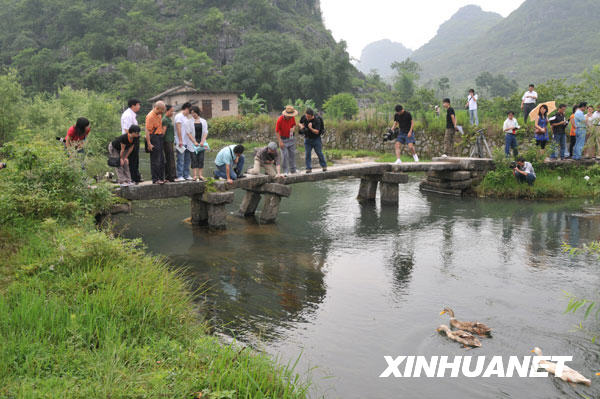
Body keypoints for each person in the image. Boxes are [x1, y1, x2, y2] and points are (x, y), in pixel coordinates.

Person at [299, 108, 327, 173]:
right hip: (307, 138)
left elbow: (317, 131)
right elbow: (300, 123)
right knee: (307, 154)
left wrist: (311, 128)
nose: (307, 118)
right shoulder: (304, 117)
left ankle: (324, 166)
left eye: (308, 117)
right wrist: (301, 126)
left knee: (319, 153)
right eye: (306, 116)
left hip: (316, 139)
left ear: (312, 115)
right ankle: (308, 168)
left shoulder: (317, 120)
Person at [145, 101, 167, 184]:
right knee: (155, 160)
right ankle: (155, 179)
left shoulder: (159, 115)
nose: (162, 112)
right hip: (153, 138)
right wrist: (149, 143)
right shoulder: (150, 116)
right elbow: (147, 131)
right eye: (161, 110)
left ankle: (161, 178)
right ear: (157, 108)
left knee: (161, 159)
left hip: (159, 137)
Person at [121, 99, 142, 183]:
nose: (139, 106)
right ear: (133, 105)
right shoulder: (128, 115)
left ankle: (136, 177)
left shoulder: (132, 114)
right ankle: (132, 178)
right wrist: (132, 140)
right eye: (138, 105)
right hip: (130, 140)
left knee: (135, 159)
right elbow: (126, 130)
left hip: (134, 139)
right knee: (132, 159)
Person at [174, 102, 194, 181]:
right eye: (189, 110)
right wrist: (180, 140)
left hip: (187, 142)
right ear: (186, 108)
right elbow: (178, 129)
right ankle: (179, 175)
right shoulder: (179, 116)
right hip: (181, 142)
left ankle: (186, 174)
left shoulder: (186, 118)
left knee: (187, 159)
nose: (190, 112)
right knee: (180, 159)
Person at [276, 105, 298, 174]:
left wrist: (293, 128)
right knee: (285, 156)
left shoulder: (292, 118)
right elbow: (276, 131)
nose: (291, 116)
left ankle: (293, 170)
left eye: (292, 115)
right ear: (286, 114)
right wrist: (280, 142)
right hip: (283, 139)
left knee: (292, 154)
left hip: (291, 138)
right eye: (290, 115)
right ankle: (285, 171)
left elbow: (294, 124)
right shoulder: (280, 120)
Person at [190, 106, 208, 181]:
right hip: (192, 142)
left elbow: (205, 132)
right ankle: (194, 175)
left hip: (201, 142)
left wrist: (202, 141)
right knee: (193, 158)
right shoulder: (190, 121)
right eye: (191, 113)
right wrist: (194, 142)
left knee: (201, 158)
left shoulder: (203, 121)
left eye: (194, 113)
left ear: (197, 112)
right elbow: (188, 133)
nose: (193, 114)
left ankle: (200, 175)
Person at [162, 105, 177, 182]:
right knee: (169, 158)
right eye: (171, 111)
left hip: (170, 141)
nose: (172, 113)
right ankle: (170, 176)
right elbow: (163, 132)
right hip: (167, 141)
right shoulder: (165, 120)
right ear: (167, 111)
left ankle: (173, 175)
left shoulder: (169, 119)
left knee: (171, 158)